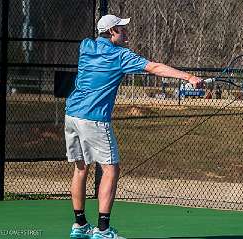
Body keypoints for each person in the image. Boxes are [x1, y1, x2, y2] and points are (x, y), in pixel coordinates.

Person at [65, 14, 202, 239]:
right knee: (111, 170)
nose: (126, 33)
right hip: (93, 118)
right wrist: (188, 77)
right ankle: (103, 231)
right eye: (121, 29)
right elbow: (155, 67)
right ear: (111, 32)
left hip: (71, 115)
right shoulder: (120, 56)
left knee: (81, 168)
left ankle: (79, 226)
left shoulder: (86, 46)